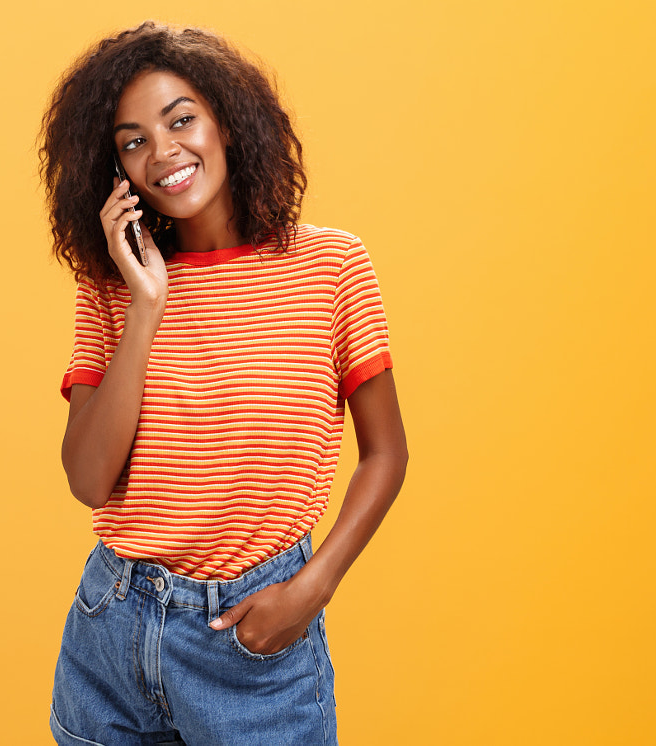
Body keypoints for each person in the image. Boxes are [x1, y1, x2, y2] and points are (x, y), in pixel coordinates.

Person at [41, 20, 408, 746]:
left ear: (229, 124)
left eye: (182, 120)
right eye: (133, 140)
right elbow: (87, 479)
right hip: (111, 627)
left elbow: (387, 454)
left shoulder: (331, 267)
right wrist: (147, 304)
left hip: (251, 638)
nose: (164, 151)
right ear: (115, 170)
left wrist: (312, 590)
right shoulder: (111, 289)